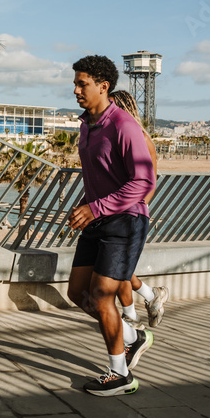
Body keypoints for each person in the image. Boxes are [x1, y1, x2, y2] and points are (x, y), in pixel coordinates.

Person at [66, 55, 155, 397]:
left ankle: (120, 375)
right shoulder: (86, 124)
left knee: (103, 297)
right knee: (79, 293)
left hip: (126, 221)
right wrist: (88, 208)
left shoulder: (123, 125)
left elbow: (144, 182)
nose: (76, 90)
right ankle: (133, 337)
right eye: (75, 83)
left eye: (82, 84)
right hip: (97, 218)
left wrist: (96, 207)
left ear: (103, 86)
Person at [109, 90, 169, 328]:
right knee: (117, 267)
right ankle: (148, 298)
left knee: (118, 269)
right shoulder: (120, 137)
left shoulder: (142, 139)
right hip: (114, 212)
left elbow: (150, 183)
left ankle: (132, 315)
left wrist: (137, 207)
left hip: (130, 214)